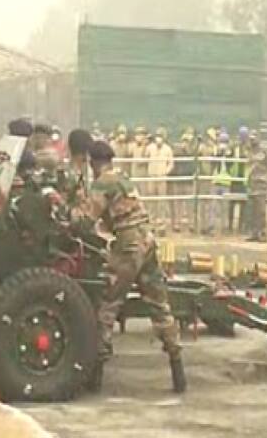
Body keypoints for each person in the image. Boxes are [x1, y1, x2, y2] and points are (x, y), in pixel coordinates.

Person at [65, 141, 185, 393]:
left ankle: (96, 375)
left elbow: (85, 221)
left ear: (93, 162)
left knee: (107, 304)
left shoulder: (103, 182)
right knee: (160, 306)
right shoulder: (124, 178)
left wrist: (67, 213)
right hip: (147, 241)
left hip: (129, 245)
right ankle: (177, 368)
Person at [243, 129, 267, 242]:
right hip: (251, 184)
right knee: (251, 211)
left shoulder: (264, 152)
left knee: (261, 211)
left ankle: (262, 233)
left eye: (254, 139)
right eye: (251, 139)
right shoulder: (249, 152)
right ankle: (254, 233)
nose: (252, 141)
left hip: (261, 184)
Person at [145, 127, 174, 200]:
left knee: (162, 199)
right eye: (157, 136)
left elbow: (171, 164)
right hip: (151, 177)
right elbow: (145, 158)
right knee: (151, 198)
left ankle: (162, 212)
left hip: (162, 178)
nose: (158, 138)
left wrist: (165, 172)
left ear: (164, 138)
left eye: (160, 136)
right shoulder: (150, 147)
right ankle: (151, 212)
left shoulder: (168, 149)